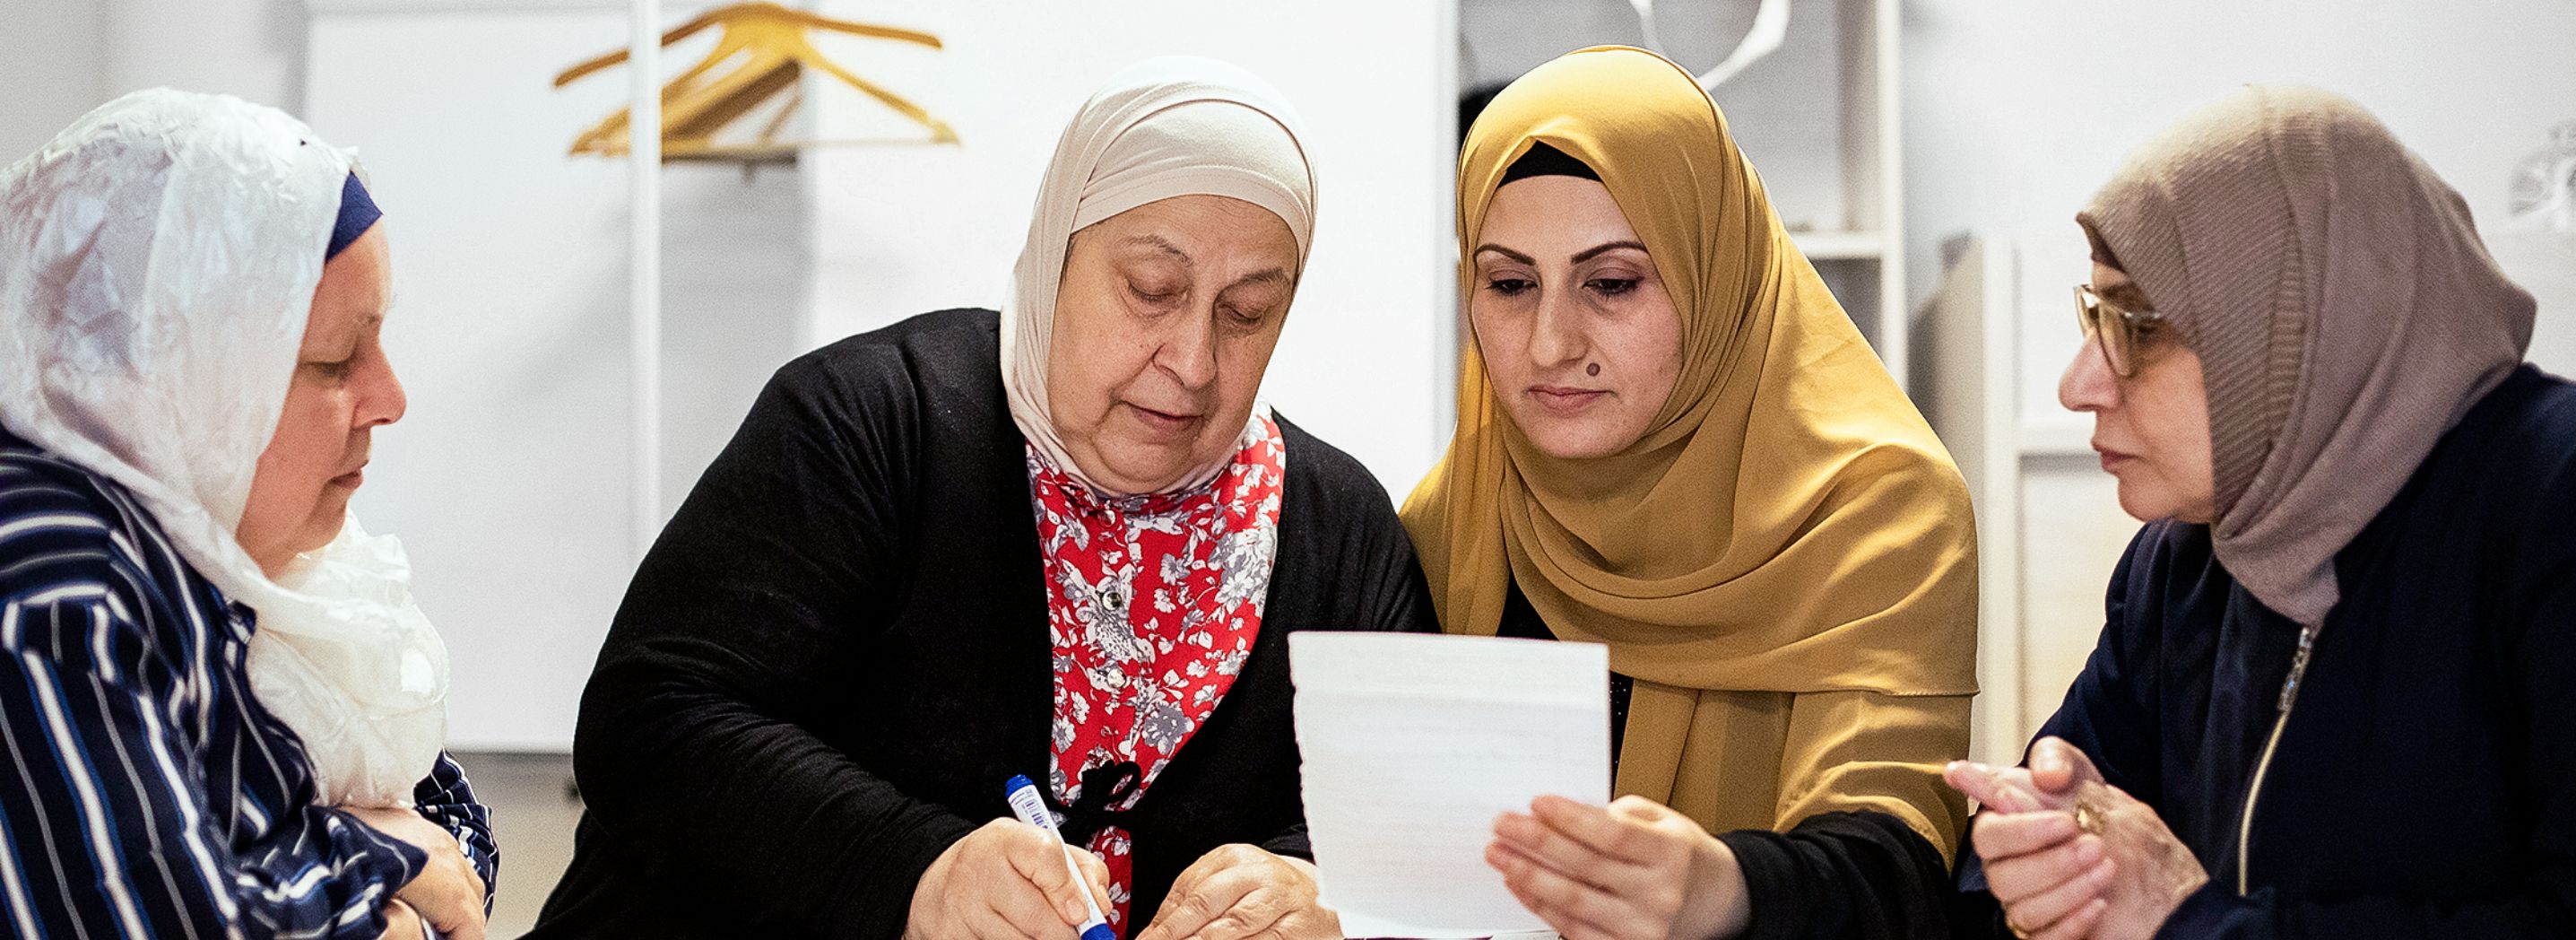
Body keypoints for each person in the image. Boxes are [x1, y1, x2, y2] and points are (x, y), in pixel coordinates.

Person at [527, 57, 1435, 940]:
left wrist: (1321, 887)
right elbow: (652, 723)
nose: (1193, 360)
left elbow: (1414, 822)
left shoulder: (1338, 532)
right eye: (1150, 290)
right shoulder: (876, 424)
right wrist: (917, 871)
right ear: (1054, 257)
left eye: (1246, 313)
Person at [1947, 84, 2576, 940]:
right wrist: (2027, 860)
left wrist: (2187, 920)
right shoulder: (2184, 557)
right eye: (2093, 313)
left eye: (2137, 324)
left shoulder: (2554, 500)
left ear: (2296, 323)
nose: (2077, 386)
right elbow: (2012, 856)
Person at [1403, 46, 1979, 939]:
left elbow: (1896, 863)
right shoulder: (1458, 513)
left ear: (1714, 276)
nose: (1551, 343)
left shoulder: (1875, 506)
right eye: (1510, 284)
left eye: (1614, 283)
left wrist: (1728, 887)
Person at [0, 90, 496, 939]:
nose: (391, 398)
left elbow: (455, 835)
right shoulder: (55, 589)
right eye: (338, 359)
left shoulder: (236, 557)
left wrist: (353, 870)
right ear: (176, 377)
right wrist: (380, 871)